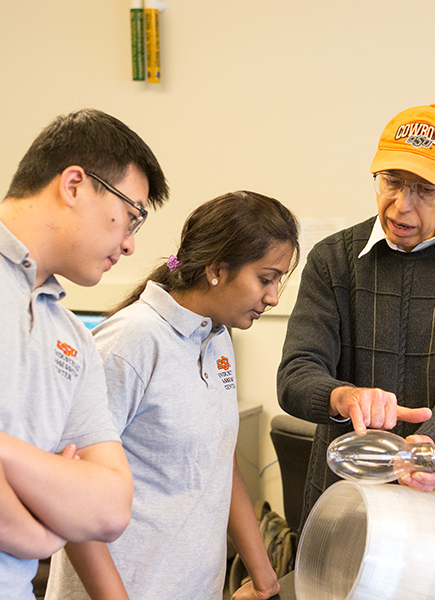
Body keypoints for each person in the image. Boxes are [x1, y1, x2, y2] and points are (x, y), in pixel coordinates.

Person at [0, 108, 169, 599]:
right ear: (74, 184)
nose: (132, 243)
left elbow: (110, 508)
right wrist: (41, 535)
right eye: (131, 213)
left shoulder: (73, 336)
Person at [277, 104, 435, 551]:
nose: (400, 205)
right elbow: (297, 373)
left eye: (424, 189)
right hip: (344, 509)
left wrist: (427, 447)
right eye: (391, 182)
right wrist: (344, 397)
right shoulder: (333, 258)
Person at [45, 191, 299, 600]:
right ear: (216, 270)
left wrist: (264, 577)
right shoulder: (132, 341)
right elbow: (70, 490)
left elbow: (219, 459)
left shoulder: (217, 337)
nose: (272, 297)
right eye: (265, 279)